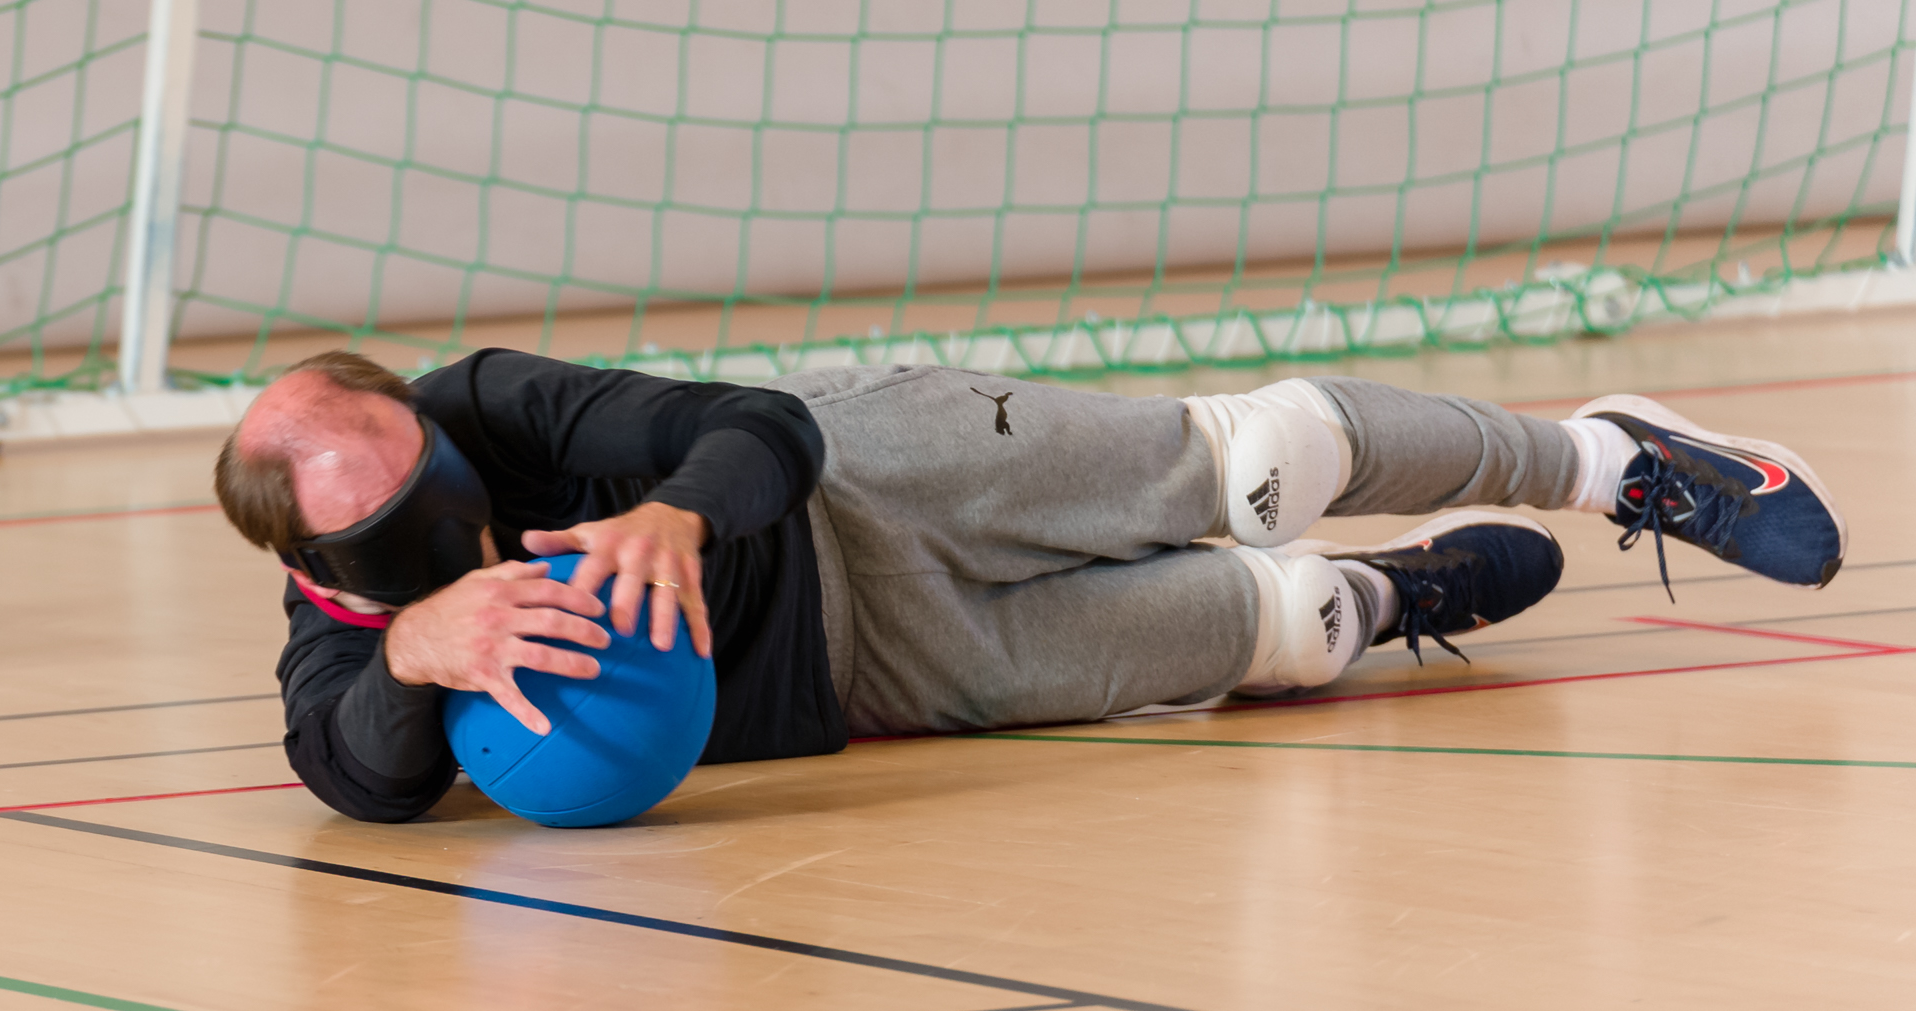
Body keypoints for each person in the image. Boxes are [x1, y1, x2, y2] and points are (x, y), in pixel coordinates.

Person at [214, 348, 1848, 823]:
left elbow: (751, 426)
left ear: (427, 426)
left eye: (428, 476)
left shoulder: (495, 401)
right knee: (1269, 633)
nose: (442, 519)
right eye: (383, 534)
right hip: (876, 686)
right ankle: (1386, 597)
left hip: (879, 479)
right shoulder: (354, 624)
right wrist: (420, 648)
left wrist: (685, 521)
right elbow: (347, 776)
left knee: (1255, 464)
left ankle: (1605, 456)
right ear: (314, 561)